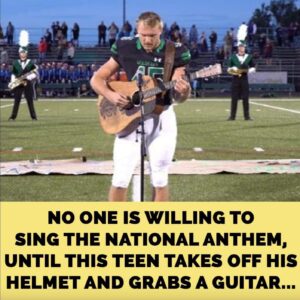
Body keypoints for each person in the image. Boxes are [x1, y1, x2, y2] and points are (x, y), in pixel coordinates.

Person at [90, 11, 191, 201]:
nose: (147, 39)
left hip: (162, 116)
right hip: (130, 115)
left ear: (160, 31)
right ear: (137, 30)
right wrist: (111, 95)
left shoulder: (174, 50)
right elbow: (97, 79)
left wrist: (183, 90)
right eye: (143, 35)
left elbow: (180, 95)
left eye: (152, 35)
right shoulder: (125, 46)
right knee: (120, 177)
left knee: (160, 177)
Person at [8, 30, 38, 120]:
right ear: (19, 53)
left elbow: (34, 74)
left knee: (29, 100)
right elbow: (13, 73)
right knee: (16, 100)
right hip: (18, 83)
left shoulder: (30, 62)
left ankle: (33, 117)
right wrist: (13, 81)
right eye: (21, 53)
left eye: (24, 53)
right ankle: (13, 116)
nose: (22, 54)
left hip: (27, 83)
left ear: (26, 53)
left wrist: (28, 77)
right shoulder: (15, 62)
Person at [227, 30, 256, 121]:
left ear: (245, 47)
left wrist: (247, 71)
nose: (241, 48)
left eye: (242, 46)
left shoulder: (249, 57)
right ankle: (232, 116)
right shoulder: (233, 57)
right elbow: (228, 69)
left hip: (244, 78)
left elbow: (254, 68)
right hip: (235, 78)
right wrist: (234, 70)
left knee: (245, 97)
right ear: (237, 48)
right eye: (240, 46)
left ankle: (247, 116)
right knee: (234, 98)